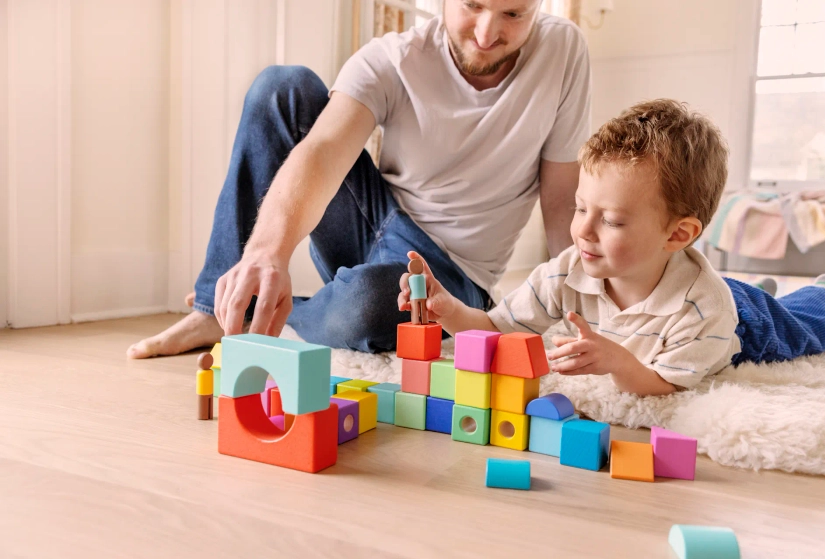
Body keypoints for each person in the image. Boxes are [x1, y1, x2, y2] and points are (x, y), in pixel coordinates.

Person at [127, 0, 591, 359]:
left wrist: (578, 301)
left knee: (368, 306)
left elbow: (561, 197)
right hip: (375, 219)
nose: (488, 33)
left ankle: (269, 311)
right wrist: (268, 253)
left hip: (455, 275)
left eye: (513, 13)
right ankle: (216, 305)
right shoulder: (394, 59)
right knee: (280, 88)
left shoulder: (563, 52)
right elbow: (323, 149)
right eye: (472, 4)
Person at [397, 99, 825, 396]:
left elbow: (665, 386)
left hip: (744, 325)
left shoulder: (706, 310)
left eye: (609, 220)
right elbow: (498, 328)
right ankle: (756, 287)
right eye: (580, 208)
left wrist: (618, 362)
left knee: (807, 329)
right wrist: (447, 310)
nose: (583, 231)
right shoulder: (566, 271)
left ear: (678, 234)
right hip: (683, 280)